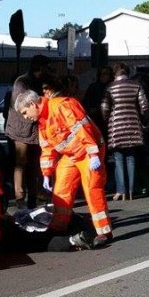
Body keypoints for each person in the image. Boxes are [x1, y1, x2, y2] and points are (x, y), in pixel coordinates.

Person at [14, 89, 113, 246]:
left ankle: (103, 232)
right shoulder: (42, 121)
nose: (26, 117)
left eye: (25, 112)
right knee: (61, 190)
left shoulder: (62, 106)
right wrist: (47, 173)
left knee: (92, 189)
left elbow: (82, 129)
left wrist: (93, 153)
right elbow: (47, 148)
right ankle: (58, 225)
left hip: (88, 150)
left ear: (33, 104)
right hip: (72, 154)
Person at [5, 54, 51, 210]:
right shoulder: (22, 82)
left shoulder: (38, 81)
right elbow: (22, 106)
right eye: (45, 67)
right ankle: (19, 197)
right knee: (21, 163)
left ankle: (32, 196)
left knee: (33, 164)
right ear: (40, 67)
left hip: (33, 129)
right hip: (21, 130)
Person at [101, 62, 149, 201]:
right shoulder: (136, 85)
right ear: (127, 72)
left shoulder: (110, 87)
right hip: (133, 125)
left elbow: (104, 107)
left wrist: (107, 121)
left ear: (115, 73)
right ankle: (131, 190)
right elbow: (144, 106)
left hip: (116, 125)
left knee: (118, 159)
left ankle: (121, 190)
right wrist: (142, 118)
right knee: (131, 159)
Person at [82, 66, 114, 137]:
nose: (103, 76)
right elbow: (87, 102)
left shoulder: (112, 87)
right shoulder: (93, 87)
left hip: (109, 119)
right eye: (101, 74)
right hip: (96, 118)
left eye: (106, 74)